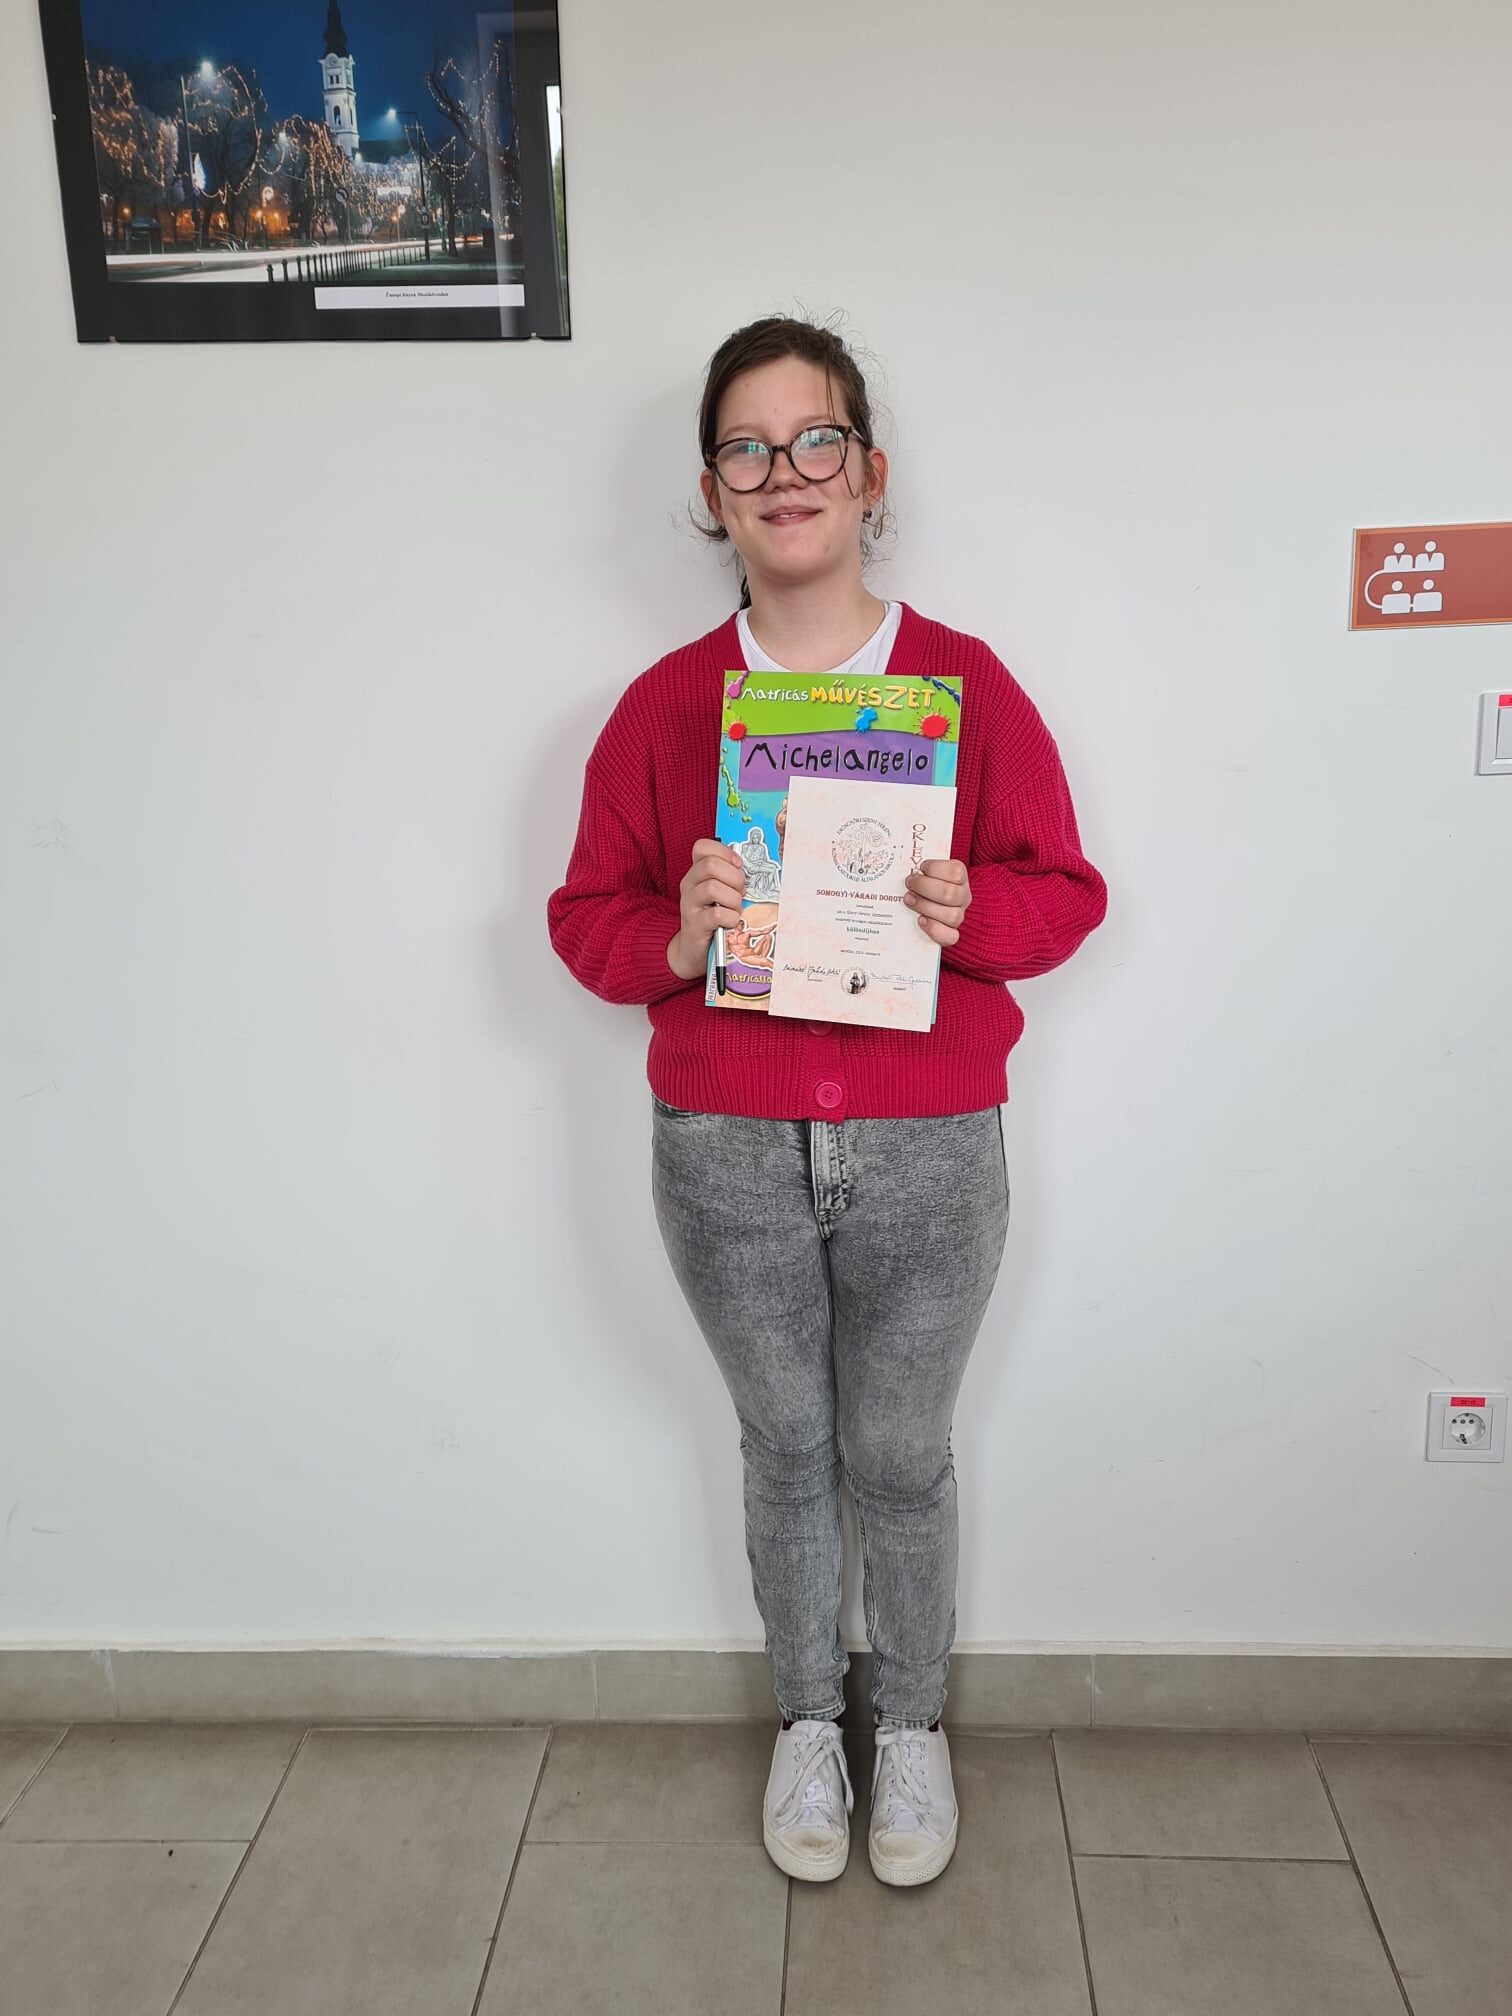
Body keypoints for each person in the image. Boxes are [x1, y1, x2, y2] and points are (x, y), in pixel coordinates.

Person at [546, 314, 1107, 1889]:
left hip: (928, 1140)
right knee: (785, 1445)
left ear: (869, 473)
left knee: (903, 1452)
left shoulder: (964, 687)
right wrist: (679, 937)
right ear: (710, 492)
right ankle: (811, 1716)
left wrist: (969, 911)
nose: (782, 472)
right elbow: (584, 921)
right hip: (725, 1146)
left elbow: (1067, 894)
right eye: (746, 446)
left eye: (814, 441)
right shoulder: (667, 709)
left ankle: (910, 1725)